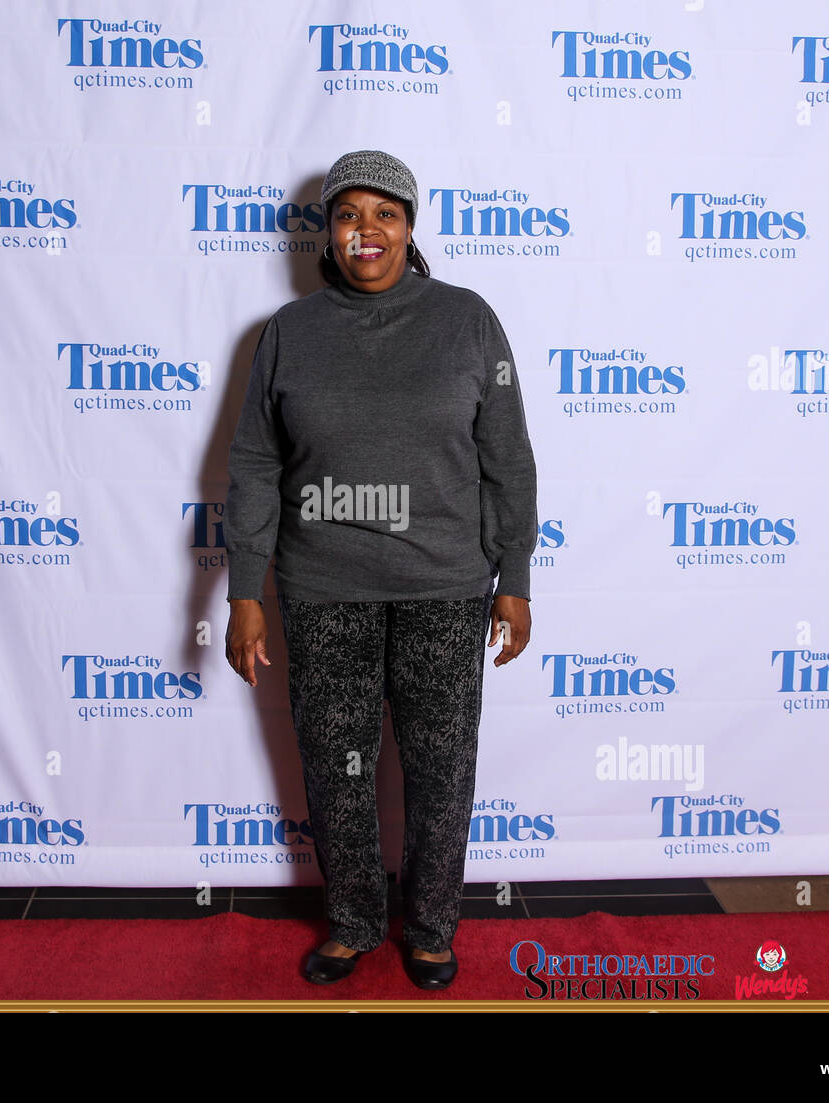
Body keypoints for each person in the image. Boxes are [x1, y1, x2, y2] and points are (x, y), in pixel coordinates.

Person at [224, 150, 537, 990]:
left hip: (443, 586)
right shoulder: (289, 334)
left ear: (410, 226)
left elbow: (508, 458)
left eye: (385, 213)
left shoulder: (467, 321)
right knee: (337, 767)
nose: (367, 230)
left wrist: (514, 576)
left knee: (441, 770)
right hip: (325, 589)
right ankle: (356, 920)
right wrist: (244, 592)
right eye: (348, 214)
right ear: (328, 233)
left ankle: (431, 926)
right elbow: (254, 464)